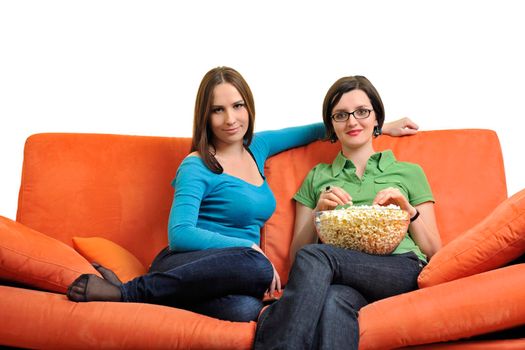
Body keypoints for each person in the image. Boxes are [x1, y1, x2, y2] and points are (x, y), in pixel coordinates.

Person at [66, 67, 420, 322]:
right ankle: (130, 293)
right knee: (253, 265)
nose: (230, 118)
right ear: (205, 117)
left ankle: (167, 297)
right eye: (217, 110)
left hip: (238, 275)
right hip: (192, 260)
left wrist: (378, 126)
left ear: (248, 107)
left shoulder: (258, 147)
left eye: (237, 106)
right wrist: (246, 249)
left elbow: (318, 128)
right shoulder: (197, 165)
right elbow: (179, 234)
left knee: (247, 311)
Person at [253, 75, 442, 349]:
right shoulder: (318, 177)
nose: (352, 122)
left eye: (362, 112)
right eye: (341, 115)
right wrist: (318, 211)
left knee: (318, 257)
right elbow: (298, 258)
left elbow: (435, 250)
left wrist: (409, 210)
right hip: (340, 279)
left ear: (377, 117)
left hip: (400, 269)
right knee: (332, 302)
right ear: (331, 124)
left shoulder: (408, 172)